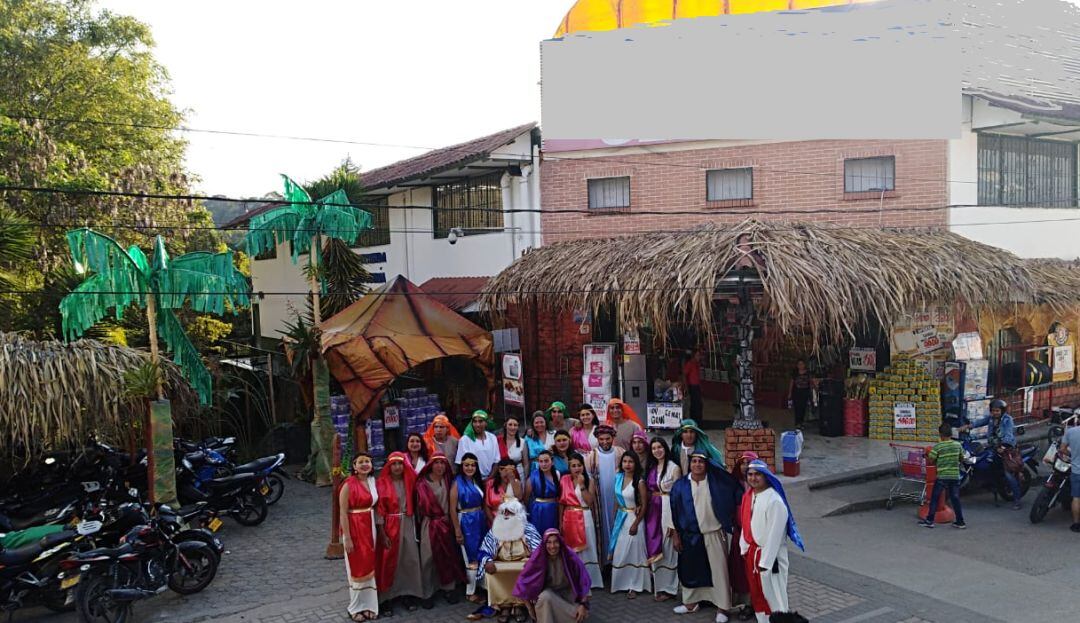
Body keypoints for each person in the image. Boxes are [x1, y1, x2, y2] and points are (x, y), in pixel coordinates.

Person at [670, 454, 741, 623]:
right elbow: (673, 510)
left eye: (701, 462)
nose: (697, 465)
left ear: (707, 464)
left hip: (714, 533)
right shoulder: (680, 486)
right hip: (689, 536)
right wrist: (675, 534)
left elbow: (734, 492)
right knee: (691, 570)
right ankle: (691, 603)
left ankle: (723, 607)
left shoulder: (716, 483)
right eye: (694, 461)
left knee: (719, 572)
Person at [740, 460, 805, 623]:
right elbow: (745, 524)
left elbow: (775, 535)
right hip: (753, 555)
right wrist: (744, 547)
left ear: (766, 476)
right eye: (750, 474)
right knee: (758, 594)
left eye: (758, 474)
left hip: (770, 559)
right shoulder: (749, 496)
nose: (753, 478)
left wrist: (765, 562)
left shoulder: (774, 500)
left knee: (775, 595)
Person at [476, 499, 543, 623]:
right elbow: (484, 550)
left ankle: (520, 605)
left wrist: (532, 562)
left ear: (518, 514)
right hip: (501, 563)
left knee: (528, 572)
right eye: (504, 512)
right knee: (491, 573)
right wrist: (488, 560)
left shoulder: (528, 528)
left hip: (523, 563)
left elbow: (539, 550)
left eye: (510, 512)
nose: (506, 515)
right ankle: (504, 606)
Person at [375, 452, 423, 614]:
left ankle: (407, 594)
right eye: (394, 464)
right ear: (389, 466)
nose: (397, 467)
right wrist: (382, 533)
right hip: (390, 524)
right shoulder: (382, 483)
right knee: (389, 561)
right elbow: (379, 509)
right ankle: (386, 598)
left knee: (408, 560)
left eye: (400, 464)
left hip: (408, 523)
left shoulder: (409, 481)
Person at [416, 453, 466, 607]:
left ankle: (448, 588)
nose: (440, 466)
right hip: (429, 524)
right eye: (436, 463)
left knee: (447, 555)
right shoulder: (422, 484)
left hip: (446, 522)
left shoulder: (448, 480)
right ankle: (427, 592)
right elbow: (418, 508)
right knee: (428, 557)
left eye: (442, 463)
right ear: (430, 465)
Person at [513, 529, 593, 623]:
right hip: (548, 600)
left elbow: (583, 581)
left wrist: (583, 604)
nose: (552, 546)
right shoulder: (538, 558)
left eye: (556, 542)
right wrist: (530, 609)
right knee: (545, 597)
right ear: (544, 544)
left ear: (560, 542)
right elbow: (522, 584)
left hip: (568, 598)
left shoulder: (569, 556)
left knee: (579, 616)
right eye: (549, 542)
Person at [339, 453, 379, 622]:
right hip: (355, 528)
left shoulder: (373, 481)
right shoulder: (348, 484)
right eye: (360, 462)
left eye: (367, 461)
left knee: (370, 565)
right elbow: (342, 512)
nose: (364, 464)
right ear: (354, 466)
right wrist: (347, 537)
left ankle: (370, 606)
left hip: (370, 527)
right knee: (357, 568)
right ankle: (355, 607)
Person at [963, 398, 1022, 509]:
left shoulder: (1007, 420)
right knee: (983, 461)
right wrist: (968, 426)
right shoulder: (991, 418)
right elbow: (980, 422)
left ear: (1002, 411)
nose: (995, 413)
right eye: (993, 410)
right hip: (993, 447)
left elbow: (1009, 435)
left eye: (997, 411)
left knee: (1008, 474)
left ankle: (1017, 500)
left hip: (1007, 450)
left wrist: (1003, 446)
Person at [609, 452, 651, 598]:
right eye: (625, 461)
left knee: (634, 552)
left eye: (630, 462)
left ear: (636, 464)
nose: (627, 464)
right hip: (621, 518)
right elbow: (616, 500)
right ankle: (621, 583)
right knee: (621, 551)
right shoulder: (618, 478)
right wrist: (614, 518)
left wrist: (636, 523)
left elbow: (644, 505)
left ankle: (635, 585)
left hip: (634, 518)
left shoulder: (639, 481)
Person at [558, 452, 604, 589]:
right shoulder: (564, 479)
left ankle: (590, 580)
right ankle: (574, 579)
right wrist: (560, 522)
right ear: (569, 467)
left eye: (579, 465)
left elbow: (590, 501)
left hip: (584, 516)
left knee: (588, 546)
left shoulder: (589, 480)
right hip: (569, 517)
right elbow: (561, 503)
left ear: (583, 466)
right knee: (572, 549)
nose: (577, 468)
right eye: (573, 466)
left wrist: (582, 485)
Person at [645, 438, 682, 602]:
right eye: (653, 448)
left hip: (668, 507)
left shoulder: (674, 468)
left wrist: (675, 522)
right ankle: (659, 587)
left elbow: (678, 495)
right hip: (654, 511)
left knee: (669, 549)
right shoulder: (651, 468)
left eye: (659, 447)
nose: (657, 450)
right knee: (656, 545)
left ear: (665, 448)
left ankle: (670, 589)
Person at [451, 453, 490, 604]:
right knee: (470, 556)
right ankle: (470, 592)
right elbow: (452, 509)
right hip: (466, 520)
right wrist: (457, 529)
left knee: (480, 553)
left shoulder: (477, 481)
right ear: (462, 466)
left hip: (479, 520)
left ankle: (480, 586)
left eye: (473, 465)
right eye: (466, 465)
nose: (470, 468)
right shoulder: (457, 483)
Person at [583, 425, 625, 562]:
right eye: (601, 439)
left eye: (608, 439)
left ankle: (618, 559)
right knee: (602, 527)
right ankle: (605, 561)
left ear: (613, 438)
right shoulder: (591, 456)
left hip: (618, 498)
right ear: (597, 439)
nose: (605, 442)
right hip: (600, 499)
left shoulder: (620, 453)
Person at [919, 422, 966, 530]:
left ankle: (930, 521)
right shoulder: (957, 445)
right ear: (951, 434)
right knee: (955, 498)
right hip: (954, 476)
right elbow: (962, 458)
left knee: (934, 498)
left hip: (942, 476)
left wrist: (926, 455)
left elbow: (931, 460)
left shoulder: (938, 446)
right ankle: (960, 522)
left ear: (940, 435)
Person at [730, 452, 759, 620]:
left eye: (749, 462)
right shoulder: (734, 484)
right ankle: (747, 603)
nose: (745, 466)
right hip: (739, 533)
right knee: (742, 570)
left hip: (757, 535)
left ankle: (758, 603)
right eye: (743, 463)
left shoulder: (762, 486)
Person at [456, 410, 501, 478]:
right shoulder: (465, 439)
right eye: (475, 421)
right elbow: (460, 462)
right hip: (472, 478)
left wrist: (489, 479)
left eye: (480, 421)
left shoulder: (492, 437)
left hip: (490, 478)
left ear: (486, 423)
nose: (477, 424)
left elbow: (496, 461)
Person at [527, 451, 562, 535]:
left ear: (552, 461)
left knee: (552, 534)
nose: (543, 464)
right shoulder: (533, 476)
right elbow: (526, 497)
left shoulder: (557, 474)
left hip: (554, 510)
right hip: (538, 510)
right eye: (541, 461)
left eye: (546, 461)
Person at [1057, 421, 1080, 533]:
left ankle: (1076, 524)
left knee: (1076, 497)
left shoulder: (1071, 432)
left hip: (1076, 471)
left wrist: (1072, 455)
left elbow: (1062, 449)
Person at [487, 458, 526, 524]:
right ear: (500, 470)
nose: (508, 474)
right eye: (506, 471)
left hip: (513, 520)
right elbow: (486, 506)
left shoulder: (516, 482)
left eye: (511, 471)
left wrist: (512, 481)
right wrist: (493, 522)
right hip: (495, 519)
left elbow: (519, 498)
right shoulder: (490, 484)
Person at [498, 416, 530, 481]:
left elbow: (526, 463)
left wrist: (526, 478)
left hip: (518, 474)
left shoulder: (522, 442)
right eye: (510, 424)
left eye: (515, 425)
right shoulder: (498, 440)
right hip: (502, 475)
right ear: (505, 426)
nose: (513, 427)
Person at [786, 360, 814, 429]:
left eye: (802, 364)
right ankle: (797, 422)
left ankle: (801, 422)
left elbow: (810, 382)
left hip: (805, 392)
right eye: (799, 364)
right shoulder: (795, 373)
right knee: (797, 408)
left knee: (803, 407)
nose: (800, 366)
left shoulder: (808, 373)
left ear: (804, 365)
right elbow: (791, 383)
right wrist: (790, 393)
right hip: (797, 392)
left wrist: (811, 391)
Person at [682, 348, 704, 422]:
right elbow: (684, 375)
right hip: (692, 386)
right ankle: (694, 419)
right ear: (694, 356)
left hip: (697, 386)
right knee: (695, 404)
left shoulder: (697, 364)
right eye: (697, 355)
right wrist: (686, 386)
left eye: (699, 355)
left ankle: (698, 419)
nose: (699, 357)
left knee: (698, 404)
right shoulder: (690, 363)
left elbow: (697, 376)